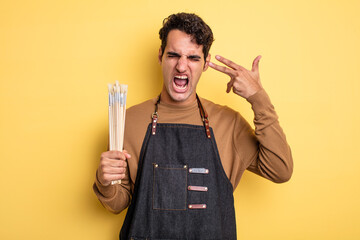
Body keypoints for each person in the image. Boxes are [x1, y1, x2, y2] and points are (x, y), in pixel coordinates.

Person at [93, 12, 293, 239]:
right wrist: (105, 181)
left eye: (193, 58)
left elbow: (280, 169)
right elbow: (118, 203)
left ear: (206, 63)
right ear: (160, 56)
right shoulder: (127, 121)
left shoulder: (229, 124)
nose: (181, 66)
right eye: (173, 55)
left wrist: (258, 98)